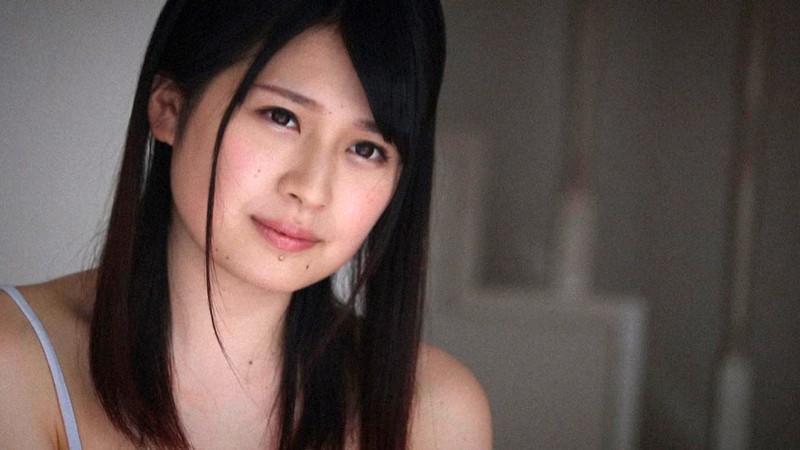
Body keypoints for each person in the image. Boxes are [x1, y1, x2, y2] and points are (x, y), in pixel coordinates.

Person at [0, 1, 491, 449]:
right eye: (281, 116)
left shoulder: (436, 412)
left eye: (366, 149)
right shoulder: (16, 362)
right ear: (170, 108)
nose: (311, 190)